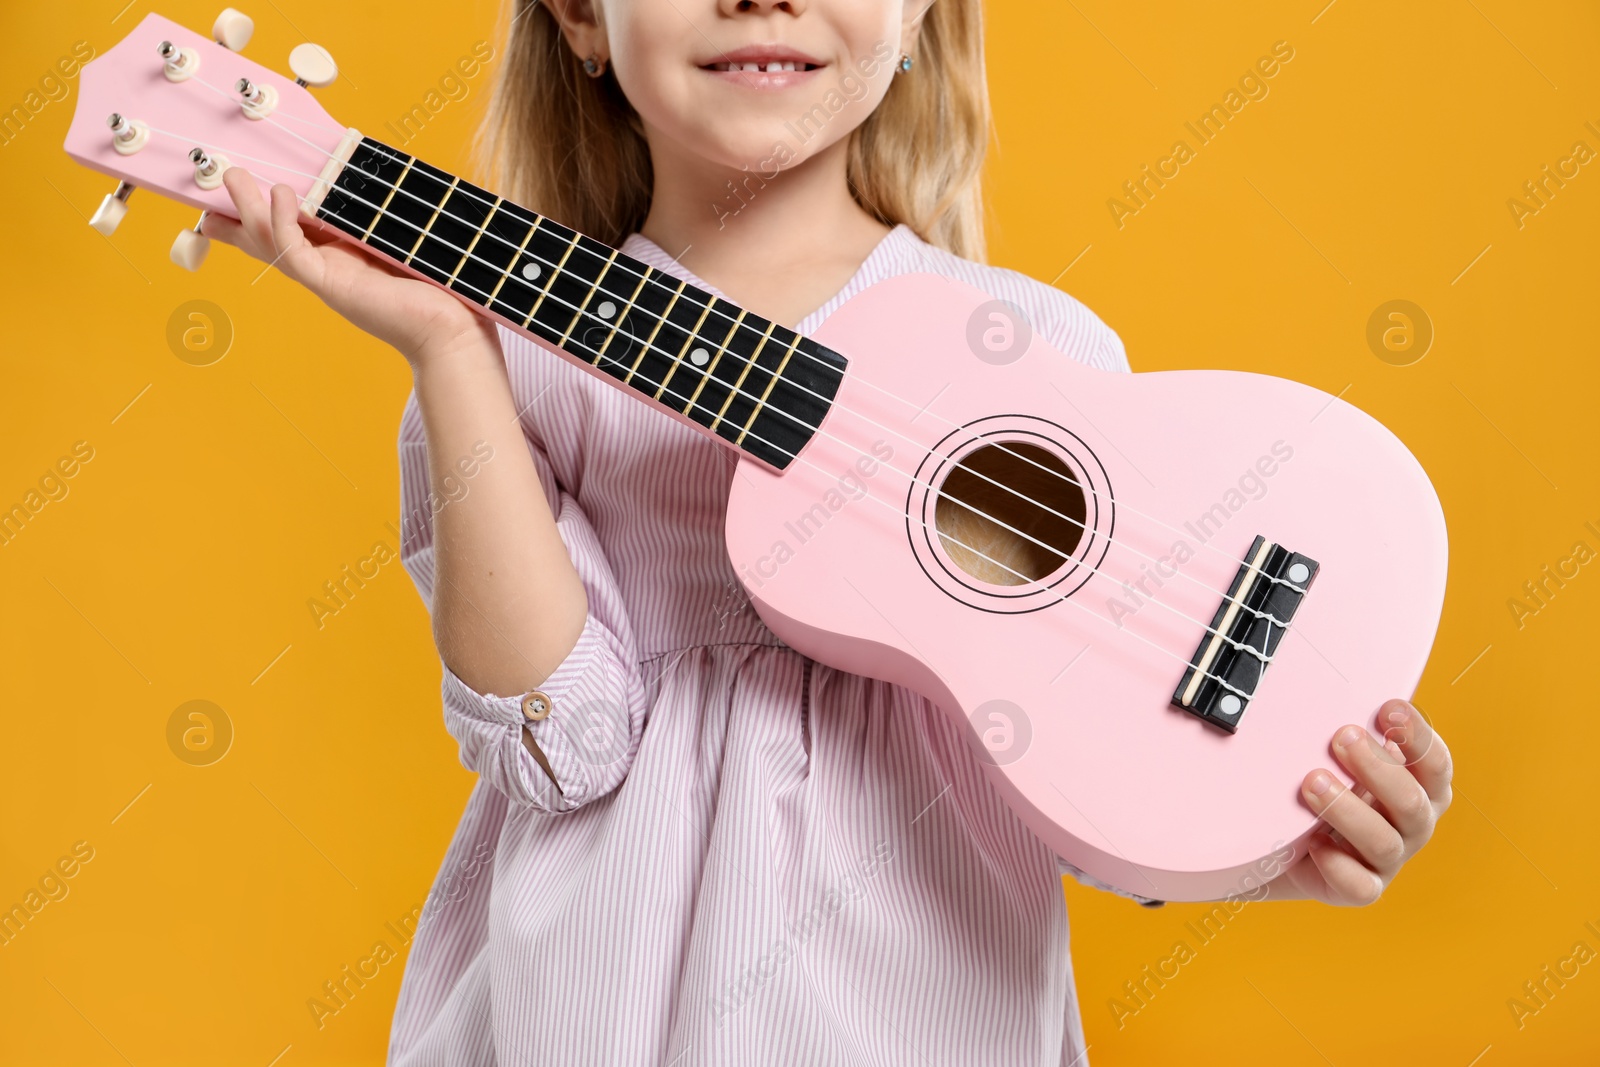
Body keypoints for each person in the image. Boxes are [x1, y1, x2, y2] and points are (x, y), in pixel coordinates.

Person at [205, 0, 1454, 1062]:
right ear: (582, 16)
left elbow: (1076, 746)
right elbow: (564, 747)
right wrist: (450, 352)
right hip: (602, 1006)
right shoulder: (501, 364)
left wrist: (1258, 833)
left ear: (919, 17)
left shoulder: (1039, 349)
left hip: (927, 1010)